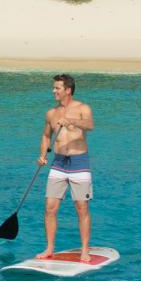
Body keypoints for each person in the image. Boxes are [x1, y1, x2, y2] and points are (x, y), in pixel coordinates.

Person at [36, 73, 95, 261]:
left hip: (79, 162)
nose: (53, 91)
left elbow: (90, 125)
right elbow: (46, 136)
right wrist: (42, 155)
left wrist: (71, 121)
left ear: (68, 90)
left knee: (81, 207)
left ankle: (84, 250)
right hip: (58, 163)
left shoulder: (83, 108)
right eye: (54, 87)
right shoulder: (51, 113)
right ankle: (49, 248)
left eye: (57, 88)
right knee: (50, 207)